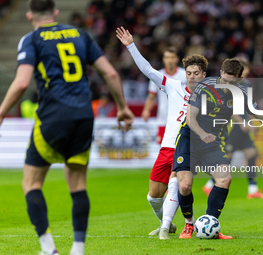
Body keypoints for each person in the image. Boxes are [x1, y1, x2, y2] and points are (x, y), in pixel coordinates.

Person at [0, 1, 134, 255]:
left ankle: (48, 249)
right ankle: (78, 249)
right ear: (56, 13)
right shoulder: (80, 34)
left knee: (31, 183)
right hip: (84, 116)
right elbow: (112, 75)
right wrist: (123, 107)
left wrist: (1, 112)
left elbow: (21, 83)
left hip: (53, 116)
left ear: (29, 15)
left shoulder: (32, 39)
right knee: (78, 184)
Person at [173, 58, 263, 239]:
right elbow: (190, 117)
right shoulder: (204, 87)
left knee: (225, 178)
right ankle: (189, 224)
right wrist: (202, 134)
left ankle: (210, 225)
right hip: (190, 138)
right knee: (186, 184)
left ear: (240, 79)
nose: (227, 85)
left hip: (212, 142)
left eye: (232, 82)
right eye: (225, 80)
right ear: (220, 73)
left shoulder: (241, 93)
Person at [116, 27, 208, 239]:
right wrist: (131, 45)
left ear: (203, 75)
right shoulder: (173, 86)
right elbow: (148, 70)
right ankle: (165, 222)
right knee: (153, 196)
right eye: (189, 73)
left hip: (188, 145)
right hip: (166, 145)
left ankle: (166, 228)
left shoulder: (208, 96)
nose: (192, 77)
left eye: (196, 74)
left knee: (176, 181)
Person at [202, 57, 263, 199]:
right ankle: (209, 185)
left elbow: (249, 107)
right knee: (228, 156)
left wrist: (250, 122)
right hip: (233, 126)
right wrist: (242, 122)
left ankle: (253, 190)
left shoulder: (248, 85)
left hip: (243, 126)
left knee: (251, 154)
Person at [141, 47, 186, 145]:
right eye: (167, 57)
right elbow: (151, 96)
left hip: (181, 119)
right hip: (163, 119)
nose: (170, 60)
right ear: (163, 59)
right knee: (162, 148)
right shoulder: (158, 76)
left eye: (172, 57)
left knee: (180, 148)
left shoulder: (185, 75)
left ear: (177, 59)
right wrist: (146, 110)